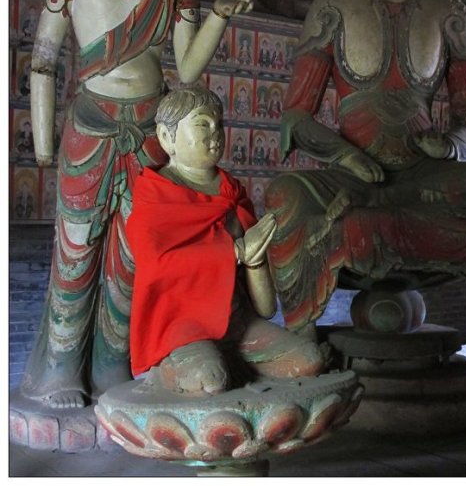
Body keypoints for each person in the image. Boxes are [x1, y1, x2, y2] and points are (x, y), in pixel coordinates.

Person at [21, 0, 254, 409]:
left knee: (134, 254)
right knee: (77, 251)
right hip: (91, 124)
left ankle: (114, 363)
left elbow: (188, 69)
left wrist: (219, 17)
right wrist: (44, 145)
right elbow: (44, 61)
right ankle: (60, 367)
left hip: (151, 129)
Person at [265, 0, 466, 331]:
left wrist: (449, 146)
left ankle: (369, 216)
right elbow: (296, 118)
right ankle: (370, 218)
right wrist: (346, 155)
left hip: (425, 176)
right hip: (352, 177)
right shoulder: (333, 5)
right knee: (285, 193)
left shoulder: (451, 13)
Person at [126, 87, 323, 394]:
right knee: (210, 381)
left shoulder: (231, 192)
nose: (215, 134)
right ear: (166, 137)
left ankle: (230, 364)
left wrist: (253, 259)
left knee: (309, 361)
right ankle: (171, 369)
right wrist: (236, 251)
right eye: (202, 125)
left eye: (219, 124)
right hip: (185, 326)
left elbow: (265, 308)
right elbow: (157, 264)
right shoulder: (156, 194)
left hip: (237, 321)